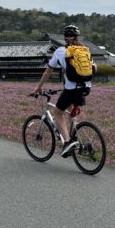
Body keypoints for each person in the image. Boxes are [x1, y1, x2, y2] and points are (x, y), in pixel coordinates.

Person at [31, 25, 97, 157]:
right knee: (71, 111)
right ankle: (76, 138)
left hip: (71, 89)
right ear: (77, 37)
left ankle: (67, 142)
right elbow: (95, 68)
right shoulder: (85, 50)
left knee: (57, 113)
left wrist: (38, 87)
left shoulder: (61, 51)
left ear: (65, 38)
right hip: (85, 88)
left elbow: (49, 70)